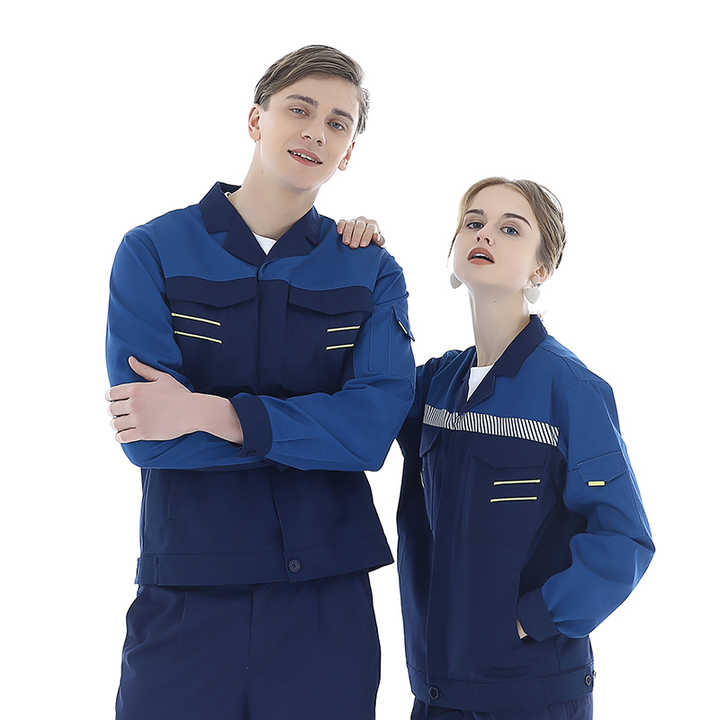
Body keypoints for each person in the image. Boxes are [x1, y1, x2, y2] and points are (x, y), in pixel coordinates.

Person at [104, 45, 410, 720]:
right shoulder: (153, 251)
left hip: (327, 606)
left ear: (348, 152)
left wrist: (205, 413)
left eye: (337, 123)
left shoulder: (370, 270)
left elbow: (369, 435)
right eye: (299, 110)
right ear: (255, 120)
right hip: (187, 595)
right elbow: (148, 437)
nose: (316, 132)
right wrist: (310, 436)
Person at [366, 177, 654, 719]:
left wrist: (532, 618)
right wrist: (362, 262)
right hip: (437, 689)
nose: (485, 234)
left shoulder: (571, 389)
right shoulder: (435, 386)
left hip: (531, 692)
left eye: (510, 229)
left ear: (540, 270)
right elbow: (364, 401)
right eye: (473, 222)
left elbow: (624, 537)